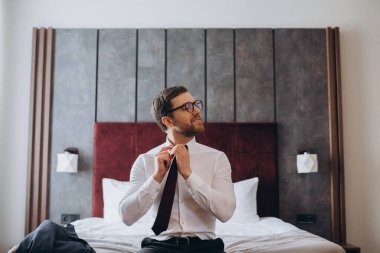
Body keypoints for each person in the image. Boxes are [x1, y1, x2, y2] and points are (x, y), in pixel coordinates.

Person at [119, 86, 236, 253]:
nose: (196, 111)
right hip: (158, 247)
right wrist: (156, 178)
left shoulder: (217, 158)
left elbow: (226, 213)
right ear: (167, 121)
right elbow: (126, 217)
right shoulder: (145, 161)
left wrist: (189, 174)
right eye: (187, 107)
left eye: (195, 105)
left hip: (206, 247)